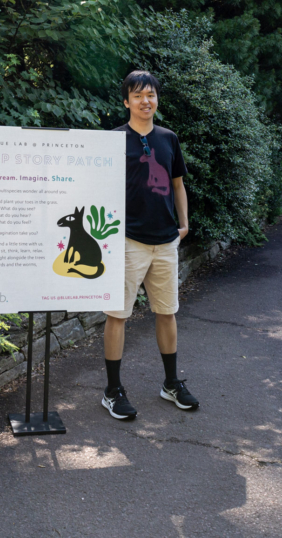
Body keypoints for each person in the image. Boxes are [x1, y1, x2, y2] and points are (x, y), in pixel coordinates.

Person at [102, 70, 199, 420]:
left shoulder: (168, 138)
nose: (146, 101)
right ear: (126, 100)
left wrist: (183, 224)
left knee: (167, 312)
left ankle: (171, 383)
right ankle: (113, 391)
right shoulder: (112, 141)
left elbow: (177, 185)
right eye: (138, 95)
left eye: (151, 95)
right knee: (117, 315)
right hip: (127, 240)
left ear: (157, 99)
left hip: (166, 240)